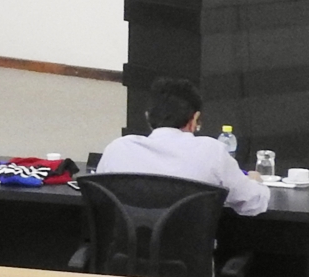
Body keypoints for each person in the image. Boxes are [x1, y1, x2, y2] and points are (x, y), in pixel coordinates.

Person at [93, 77, 268, 216]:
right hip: (190, 252)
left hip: (124, 251)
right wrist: (255, 182)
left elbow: (100, 201)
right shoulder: (212, 152)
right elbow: (253, 204)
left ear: (147, 117)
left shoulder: (118, 149)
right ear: (195, 118)